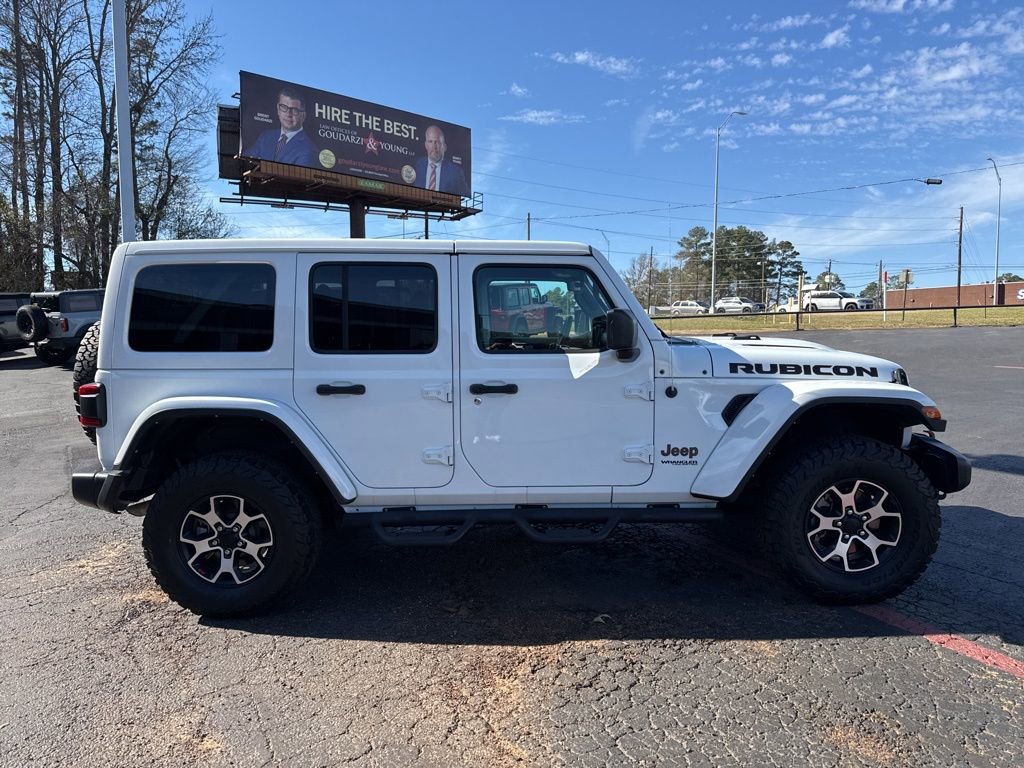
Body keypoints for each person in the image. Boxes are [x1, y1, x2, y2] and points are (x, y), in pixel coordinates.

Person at [245, 87, 317, 167]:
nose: (288, 114)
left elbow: (299, 174)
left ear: (303, 116)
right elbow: (245, 159)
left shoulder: (309, 150)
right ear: (278, 109)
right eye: (284, 107)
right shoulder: (266, 136)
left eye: (294, 110)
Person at [414, 125, 469, 196]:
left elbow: (465, 193)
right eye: (430, 141)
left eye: (438, 142)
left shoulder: (455, 172)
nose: (434, 146)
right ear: (426, 145)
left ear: (444, 147)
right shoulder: (416, 165)